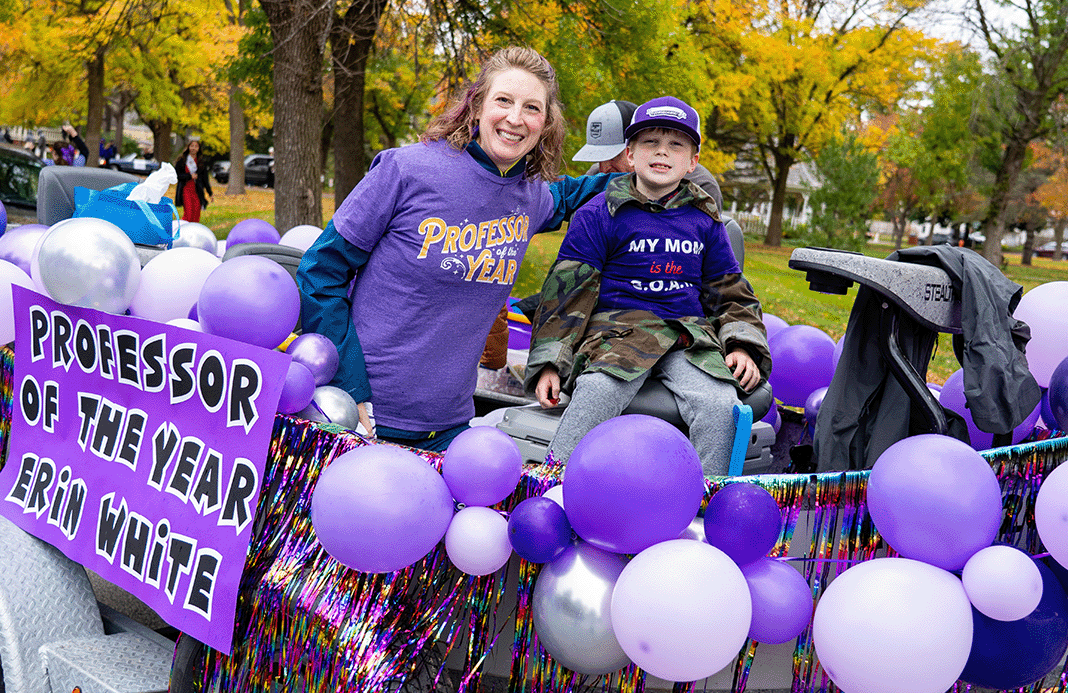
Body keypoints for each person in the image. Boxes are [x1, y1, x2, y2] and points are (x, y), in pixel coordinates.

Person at [296, 46, 615, 452]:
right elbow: (320, 271)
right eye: (504, 100)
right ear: (477, 105)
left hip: (450, 430)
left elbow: (574, 194)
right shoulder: (406, 169)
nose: (516, 118)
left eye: (532, 108)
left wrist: (652, 165)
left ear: (545, 124)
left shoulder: (531, 198)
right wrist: (350, 385)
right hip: (364, 418)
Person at [526, 96, 771, 476]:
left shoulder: (704, 221)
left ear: (692, 161)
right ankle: (555, 486)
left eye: (676, 144)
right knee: (597, 391)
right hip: (616, 335)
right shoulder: (599, 213)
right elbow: (566, 293)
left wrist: (742, 344)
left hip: (687, 338)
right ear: (630, 153)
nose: (662, 152)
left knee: (721, 405)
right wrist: (550, 363)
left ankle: (705, 509)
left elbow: (730, 289)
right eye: (650, 142)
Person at [573, 99, 724, 213]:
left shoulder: (702, 186)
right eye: (599, 158)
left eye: (613, 157)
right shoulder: (596, 176)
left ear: (631, 151)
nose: (604, 168)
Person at [175, 139, 213, 223]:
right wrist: (189, 176)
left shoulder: (201, 162)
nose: (193, 148)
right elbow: (177, 175)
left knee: (196, 215)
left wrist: (210, 193)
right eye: (192, 146)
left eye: (196, 146)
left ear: (199, 148)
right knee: (188, 215)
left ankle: (194, 233)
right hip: (185, 190)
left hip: (197, 191)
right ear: (188, 147)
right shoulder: (182, 160)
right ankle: (181, 230)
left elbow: (205, 180)